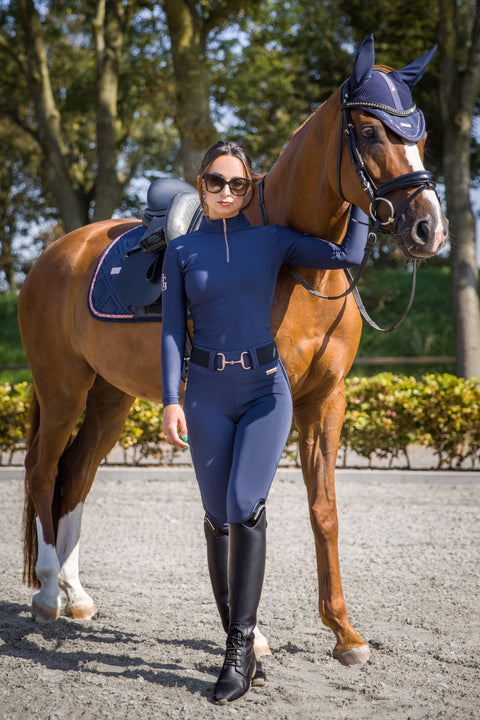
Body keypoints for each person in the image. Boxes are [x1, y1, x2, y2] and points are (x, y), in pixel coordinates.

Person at [160, 140, 368, 704]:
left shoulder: (272, 240)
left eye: (237, 184)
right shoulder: (182, 252)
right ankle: (239, 636)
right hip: (203, 391)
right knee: (216, 514)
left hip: (264, 391)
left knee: (245, 505)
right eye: (214, 181)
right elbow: (173, 331)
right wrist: (169, 400)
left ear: (251, 188)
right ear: (199, 185)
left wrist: (366, 202)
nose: (226, 192)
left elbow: (346, 257)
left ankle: (237, 650)